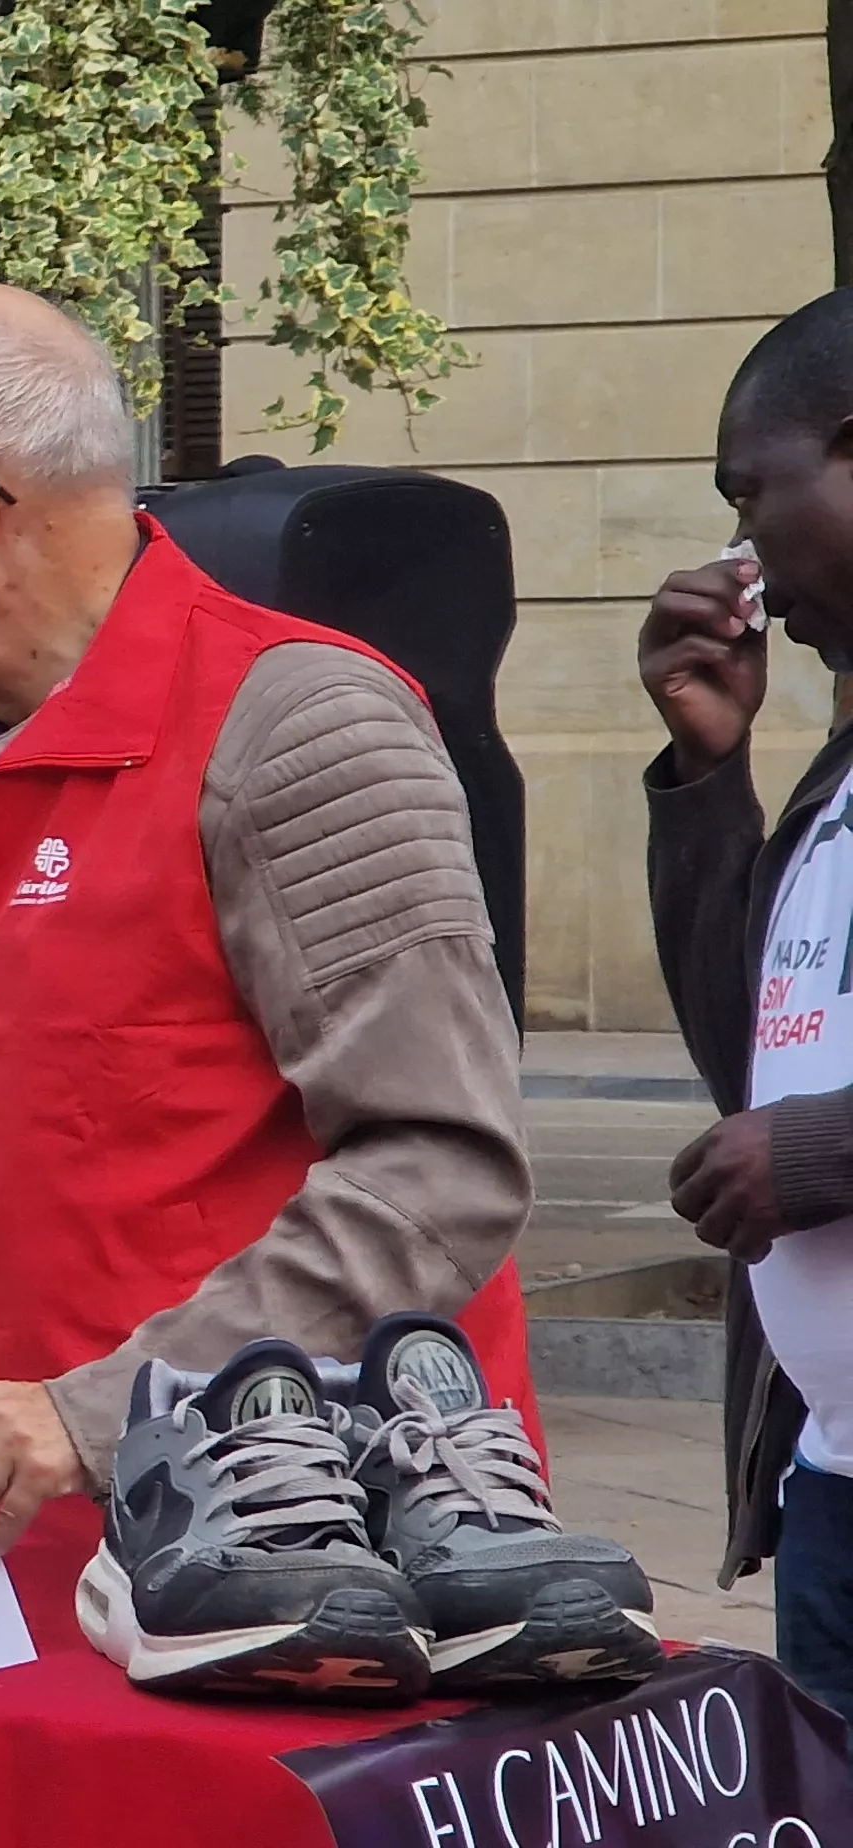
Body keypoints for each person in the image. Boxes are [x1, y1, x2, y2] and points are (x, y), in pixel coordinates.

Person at [0, 285, 540, 1639]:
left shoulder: (298, 725)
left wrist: (96, 1416)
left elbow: (440, 1174)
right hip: (30, 1581)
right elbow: (9, 1204)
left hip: (308, 1580)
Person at [644, 286, 853, 1714]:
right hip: (833, 1478)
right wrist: (713, 775)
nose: (740, 553)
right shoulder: (839, 784)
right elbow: (752, 1065)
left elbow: (796, 1137)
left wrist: (822, 1152)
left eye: (752, 493)